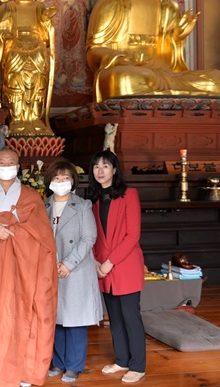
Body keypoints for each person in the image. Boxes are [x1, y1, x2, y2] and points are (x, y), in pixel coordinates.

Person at [0, 147, 57, 387]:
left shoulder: (31, 196)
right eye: (1, 162)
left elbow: (43, 235)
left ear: (18, 166)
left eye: (11, 162)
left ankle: (22, 369)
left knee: (21, 313)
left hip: (23, 266)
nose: (6, 166)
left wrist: (13, 231)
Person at [86, 0, 220, 102]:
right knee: (124, 79)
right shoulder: (112, 2)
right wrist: (119, 58)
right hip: (133, 74)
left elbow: (172, 63)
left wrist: (177, 37)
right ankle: (173, 96)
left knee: (219, 79)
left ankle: (164, 95)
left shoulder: (169, 4)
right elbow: (94, 50)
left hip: (167, 77)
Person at [88, 150, 146, 384]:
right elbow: (92, 236)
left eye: (105, 166)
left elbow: (133, 235)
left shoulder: (129, 194)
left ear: (114, 169)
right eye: (96, 167)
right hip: (102, 267)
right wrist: (96, 263)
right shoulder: (92, 199)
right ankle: (122, 360)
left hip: (124, 265)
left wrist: (110, 262)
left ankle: (138, 365)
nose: (100, 171)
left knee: (130, 317)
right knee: (114, 317)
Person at [43, 160, 102, 383]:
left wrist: (69, 263)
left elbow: (89, 237)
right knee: (56, 318)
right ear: (50, 181)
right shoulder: (44, 205)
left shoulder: (83, 205)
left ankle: (74, 365)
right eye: (57, 178)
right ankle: (58, 361)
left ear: (73, 181)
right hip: (51, 269)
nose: (61, 182)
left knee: (75, 320)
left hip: (75, 269)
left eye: (66, 177)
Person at [0, 0, 57, 136]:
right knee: (15, 81)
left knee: (39, 82)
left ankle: (36, 119)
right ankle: (16, 119)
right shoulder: (7, 7)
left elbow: (46, 38)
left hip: (37, 48)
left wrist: (47, 22)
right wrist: (3, 33)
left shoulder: (39, 7)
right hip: (14, 47)